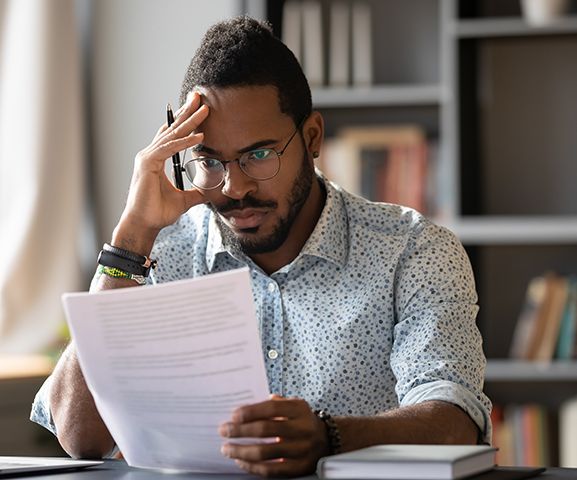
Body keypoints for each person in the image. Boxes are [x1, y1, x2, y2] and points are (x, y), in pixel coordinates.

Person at [31, 15, 492, 478]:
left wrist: (331, 438)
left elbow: (455, 419)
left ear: (311, 137)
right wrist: (129, 239)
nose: (234, 188)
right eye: (209, 161)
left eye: (258, 154)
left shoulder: (413, 251)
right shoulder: (160, 253)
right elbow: (80, 437)